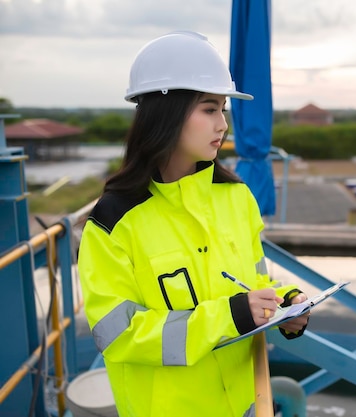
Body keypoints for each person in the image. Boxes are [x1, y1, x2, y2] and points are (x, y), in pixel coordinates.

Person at [77, 30, 309, 417]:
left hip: (243, 403)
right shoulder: (113, 222)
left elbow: (253, 285)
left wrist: (285, 307)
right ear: (165, 114)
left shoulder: (236, 197)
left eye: (223, 110)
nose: (222, 125)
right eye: (208, 109)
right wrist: (229, 315)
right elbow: (118, 336)